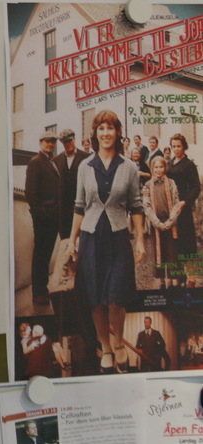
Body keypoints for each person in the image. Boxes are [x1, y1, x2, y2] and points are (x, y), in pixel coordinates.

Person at [69, 110, 145, 374]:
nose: (106, 133)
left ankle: (118, 341)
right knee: (95, 299)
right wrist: (72, 241)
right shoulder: (84, 167)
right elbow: (79, 206)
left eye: (110, 128)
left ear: (118, 132)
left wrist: (140, 240)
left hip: (118, 236)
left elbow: (136, 206)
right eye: (101, 128)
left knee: (116, 297)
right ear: (95, 133)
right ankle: (106, 346)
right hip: (91, 237)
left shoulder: (130, 167)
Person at [26, 131, 61, 306]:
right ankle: (38, 293)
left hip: (53, 216)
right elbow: (30, 193)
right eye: (47, 142)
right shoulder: (36, 162)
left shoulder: (51, 161)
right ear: (40, 142)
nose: (50, 145)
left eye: (53, 142)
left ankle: (43, 289)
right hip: (43, 218)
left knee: (46, 254)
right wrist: (40, 213)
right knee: (40, 254)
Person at [143, 154, 184, 288]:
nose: (158, 169)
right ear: (152, 169)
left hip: (170, 222)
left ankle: (173, 280)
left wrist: (170, 222)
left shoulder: (171, 183)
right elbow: (146, 206)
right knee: (158, 252)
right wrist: (157, 223)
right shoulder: (147, 185)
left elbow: (176, 203)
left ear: (165, 168)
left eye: (161, 167)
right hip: (156, 223)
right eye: (156, 167)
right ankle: (161, 280)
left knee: (171, 252)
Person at [167, 133, 200, 284]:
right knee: (174, 243)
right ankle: (179, 276)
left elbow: (196, 187)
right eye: (173, 146)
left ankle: (192, 276)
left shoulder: (189, 164)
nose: (176, 149)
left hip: (183, 208)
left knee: (187, 241)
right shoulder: (170, 163)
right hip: (170, 206)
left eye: (178, 146)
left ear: (184, 146)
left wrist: (185, 202)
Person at [55, 129, 89, 238]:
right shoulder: (57, 160)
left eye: (69, 141)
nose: (67, 144)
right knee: (65, 241)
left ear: (74, 139)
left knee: (82, 240)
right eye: (64, 142)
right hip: (63, 212)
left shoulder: (86, 157)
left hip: (82, 208)